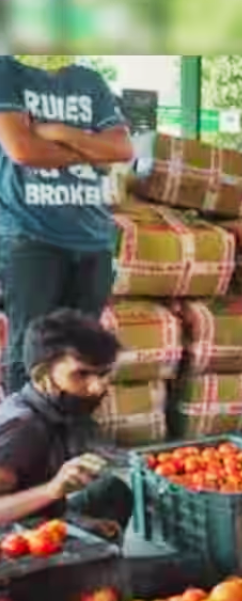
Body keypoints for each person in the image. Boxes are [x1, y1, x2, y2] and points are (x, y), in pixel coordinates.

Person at [0, 56, 134, 392]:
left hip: (92, 241)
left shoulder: (90, 81)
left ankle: (72, 438)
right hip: (30, 237)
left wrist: (59, 133)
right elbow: (23, 150)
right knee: (31, 353)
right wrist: (91, 149)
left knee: (85, 355)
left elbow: (122, 148)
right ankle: (25, 437)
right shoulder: (7, 72)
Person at [0, 309, 131, 540]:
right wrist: (51, 490)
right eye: (82, 374)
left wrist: (79, 521)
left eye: (103, 374)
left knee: (112, 490)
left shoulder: (52, 410)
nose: (98, 387)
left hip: (39, 519)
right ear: (42, 375)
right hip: (15, 546)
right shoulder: (24, 428)